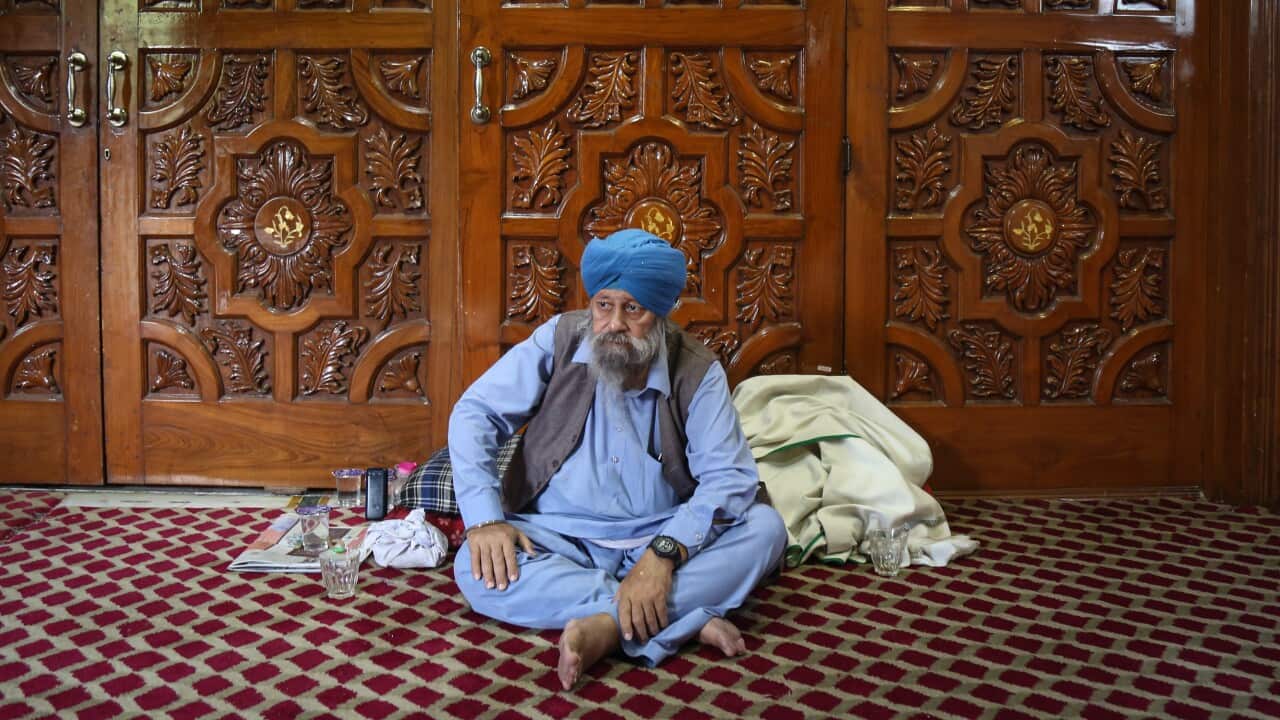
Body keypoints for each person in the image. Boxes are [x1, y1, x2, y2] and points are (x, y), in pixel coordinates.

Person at [448, 228, 786, 690]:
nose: (614, 324)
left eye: (634, 309)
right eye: (604, 305)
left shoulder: (697, 369)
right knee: (473, 564)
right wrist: (485, 520)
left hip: (660, 537)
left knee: (766, 531)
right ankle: (673, 620)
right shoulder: (561, 340)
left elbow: (729, 480)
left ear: (661, 312)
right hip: (560, 534)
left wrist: (661, 557)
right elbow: (475, 412)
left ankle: (607, 627)